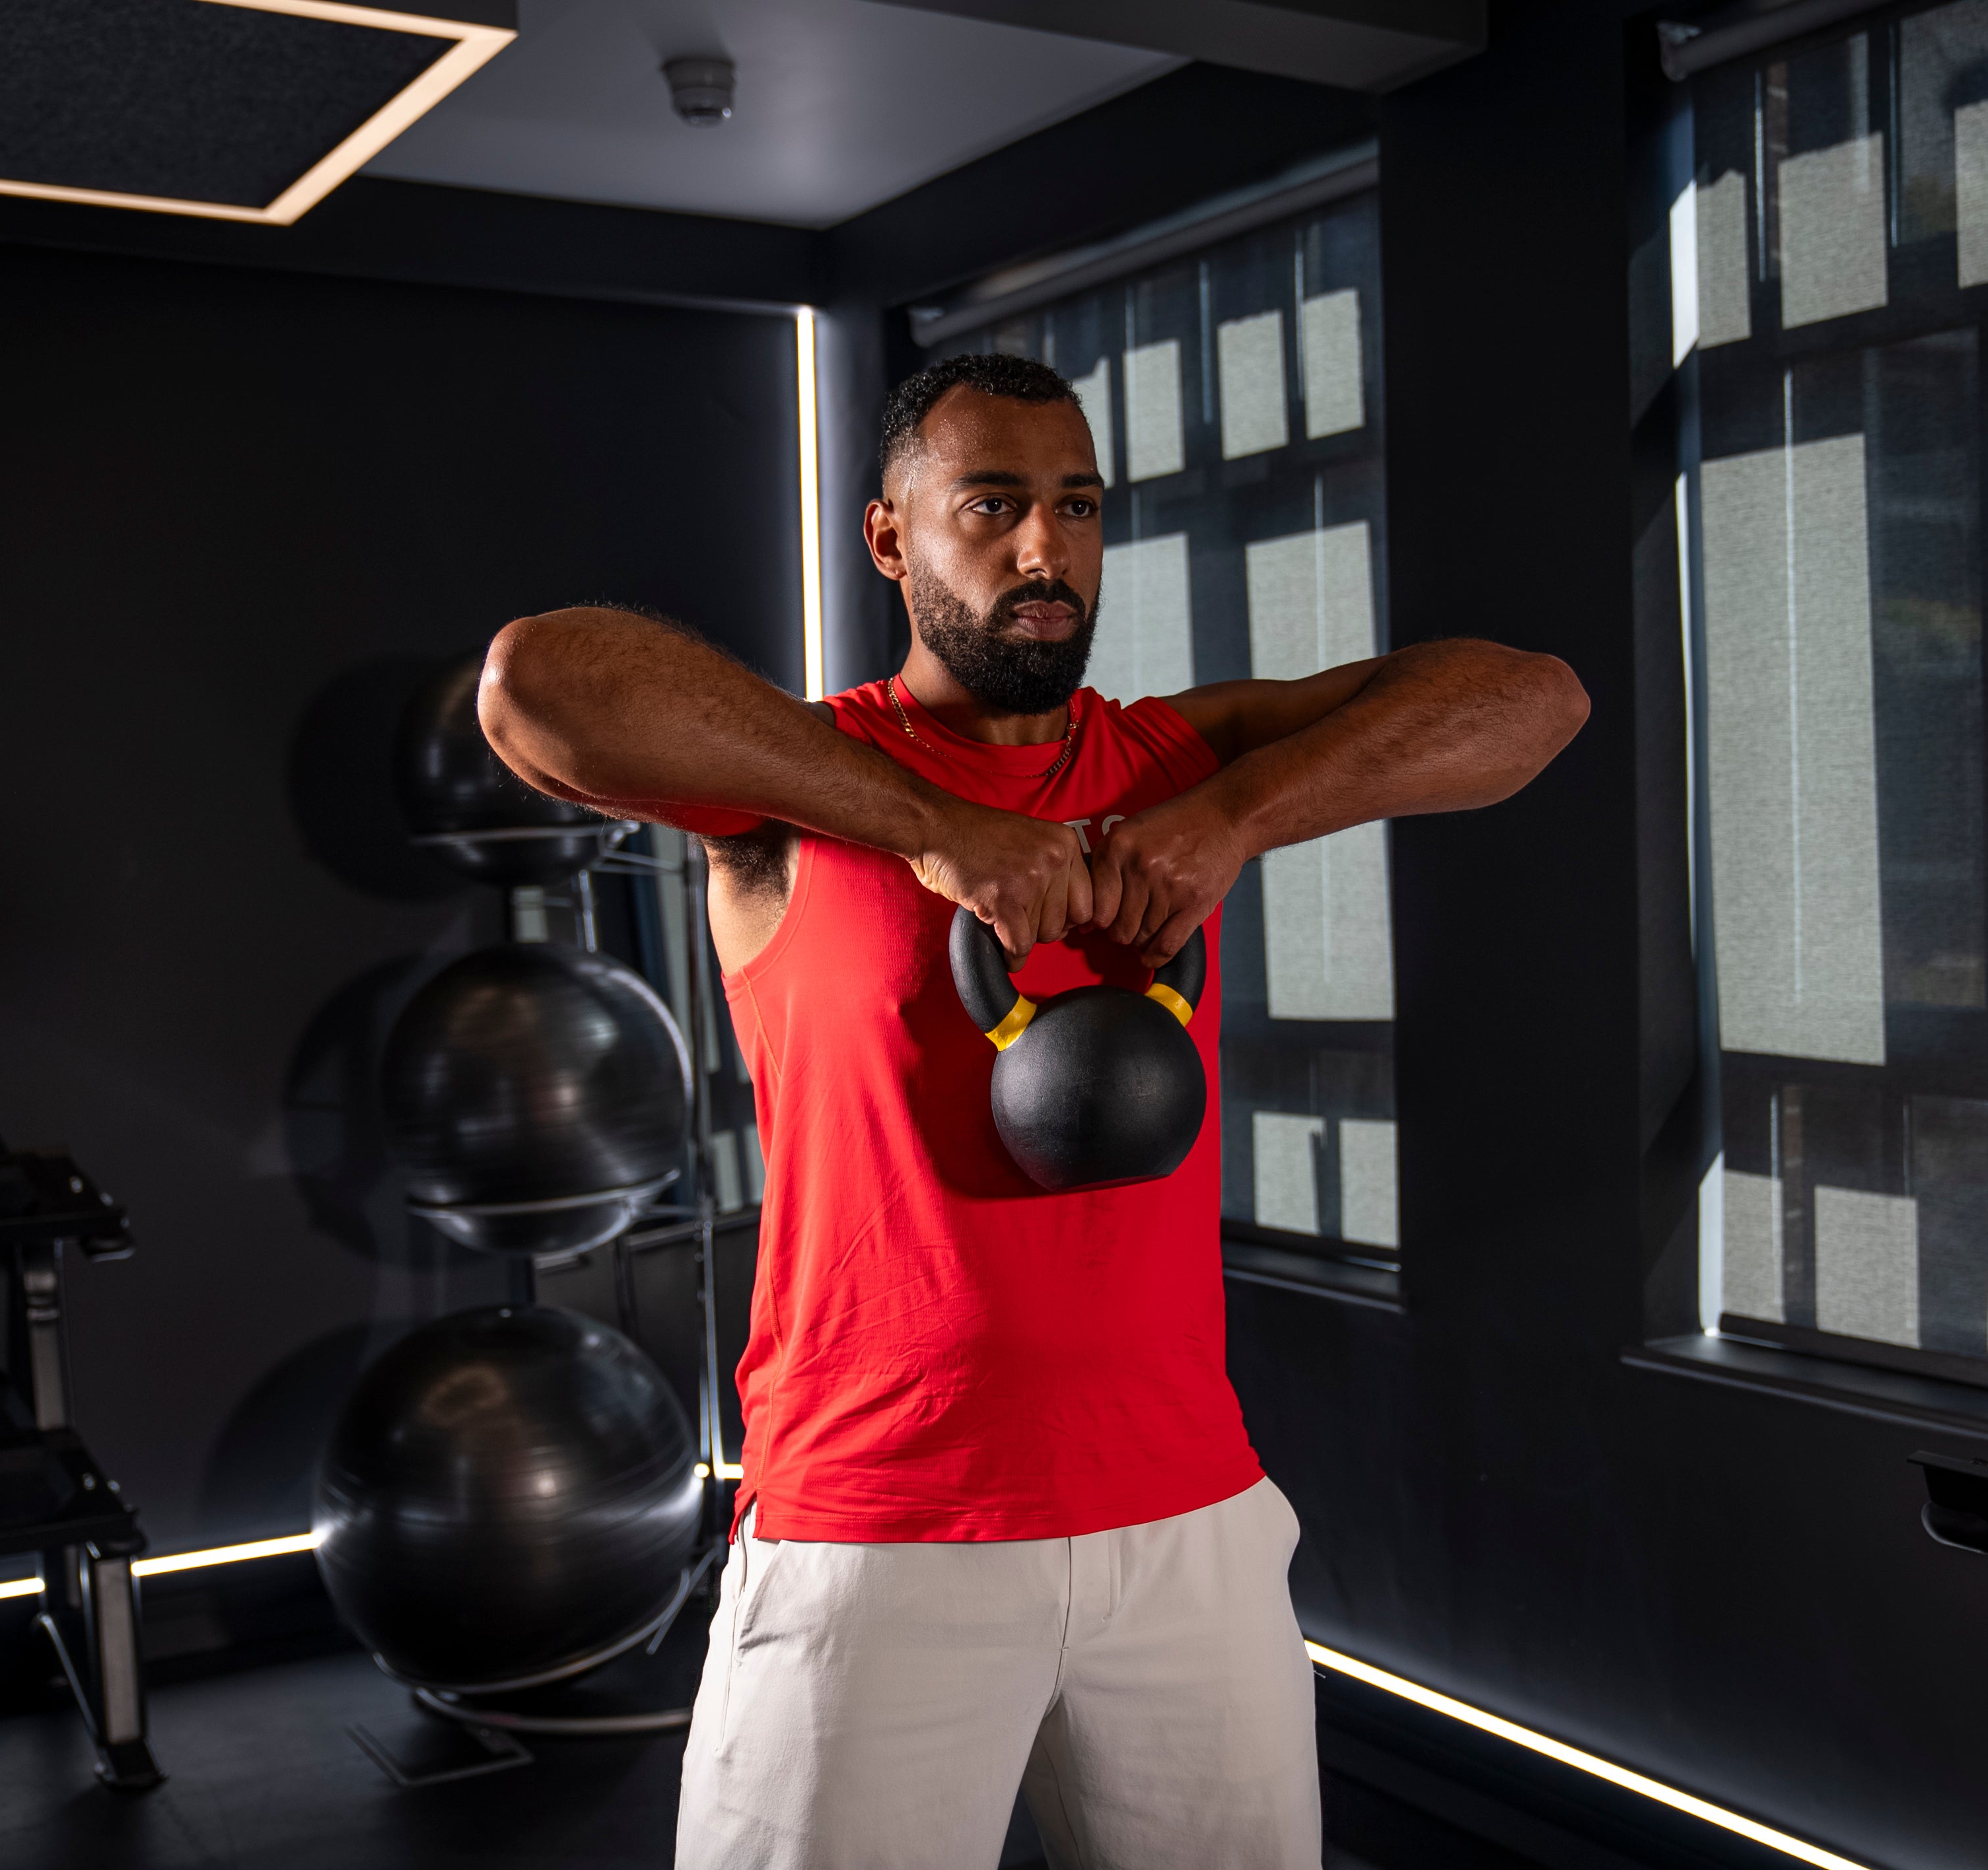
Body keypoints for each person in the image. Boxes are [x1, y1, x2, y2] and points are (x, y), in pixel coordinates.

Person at [479, 353, 1587, 1870]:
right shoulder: (797, 789)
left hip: (1183, 1517)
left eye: (1075, 508)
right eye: (990, 505)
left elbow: (1532, 702)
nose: (1041, 550)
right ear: (889, 540)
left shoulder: (1168, 764)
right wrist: (939, 830)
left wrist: (1230, 818)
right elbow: (537, 684)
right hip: (879, 1529)